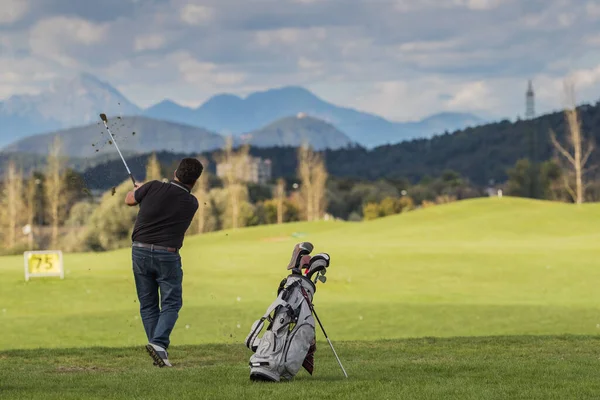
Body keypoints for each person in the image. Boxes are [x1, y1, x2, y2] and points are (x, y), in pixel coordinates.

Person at [125, 157, 203, 367]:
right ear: (194, 181)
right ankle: (158, 345)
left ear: (175, 172)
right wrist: (146, 193)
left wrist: (141, 191)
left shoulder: (153, 187)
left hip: (139, 251)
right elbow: (168, 203)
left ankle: (158, 349)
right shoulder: (192, 202)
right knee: (171, 303)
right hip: (167, 256)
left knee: (148, 303)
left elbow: (129, 199)